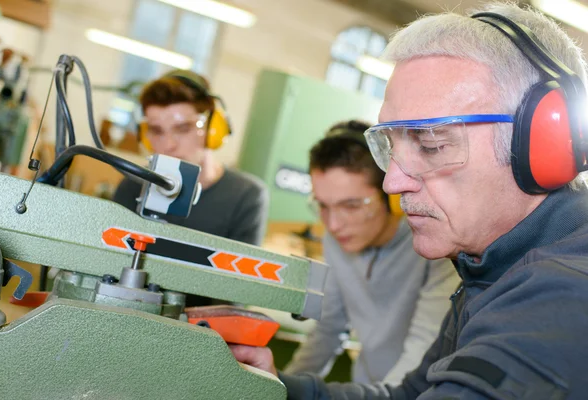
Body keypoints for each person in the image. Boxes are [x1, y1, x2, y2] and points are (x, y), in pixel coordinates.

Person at [230, 2, 588, 398]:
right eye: (393, 146)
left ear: (544, 143)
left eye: (431, 144)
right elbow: (409, 394)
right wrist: (273, 388)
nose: (392, 183)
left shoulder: (564, 299)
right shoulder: (487, 268)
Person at [282, 120, 458, 385]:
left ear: (391, 195)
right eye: (323, 206)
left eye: (351, 206)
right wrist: (283, 388)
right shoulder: (336, 240)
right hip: (366, 388)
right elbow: (328, 330)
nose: (333, 224)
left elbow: (422, 351)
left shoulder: (435, 249)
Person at [113, 70, 269, 305]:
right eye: (157, 131)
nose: (168, 145)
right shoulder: (132, 186)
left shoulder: (247, 196)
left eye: (183, 128)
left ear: (212, 130)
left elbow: (235, 295)